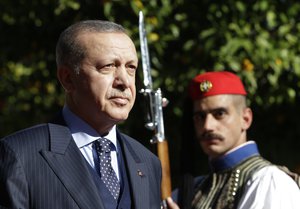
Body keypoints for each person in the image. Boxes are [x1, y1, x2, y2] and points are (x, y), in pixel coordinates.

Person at [0, 20, 162, 209]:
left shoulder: (148, 162)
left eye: (131, 68)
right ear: (68, 79)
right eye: (108, 66)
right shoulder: (20, 155)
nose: (124, 81)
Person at [167, 71, 300, 209]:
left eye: (219, 114)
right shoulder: (191, 190)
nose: (207, 126)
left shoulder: (269, 181)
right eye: (200, 116)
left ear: (246, 119)